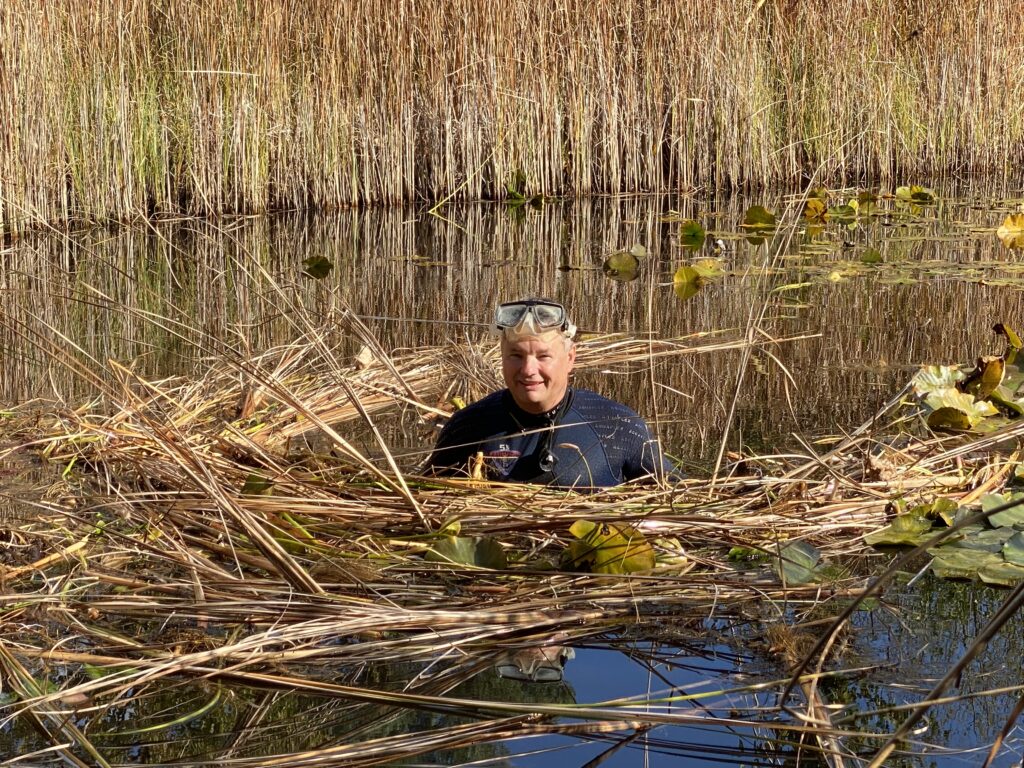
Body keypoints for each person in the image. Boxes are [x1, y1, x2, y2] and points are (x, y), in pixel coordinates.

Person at [426, 298, 674, 490]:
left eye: (543, 356)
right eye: (516, 356)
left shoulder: (617, 425)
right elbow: (427, 501)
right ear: (502, 357)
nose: (528, 370)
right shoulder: (470, 427)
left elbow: (675, 496)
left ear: (570, 358)